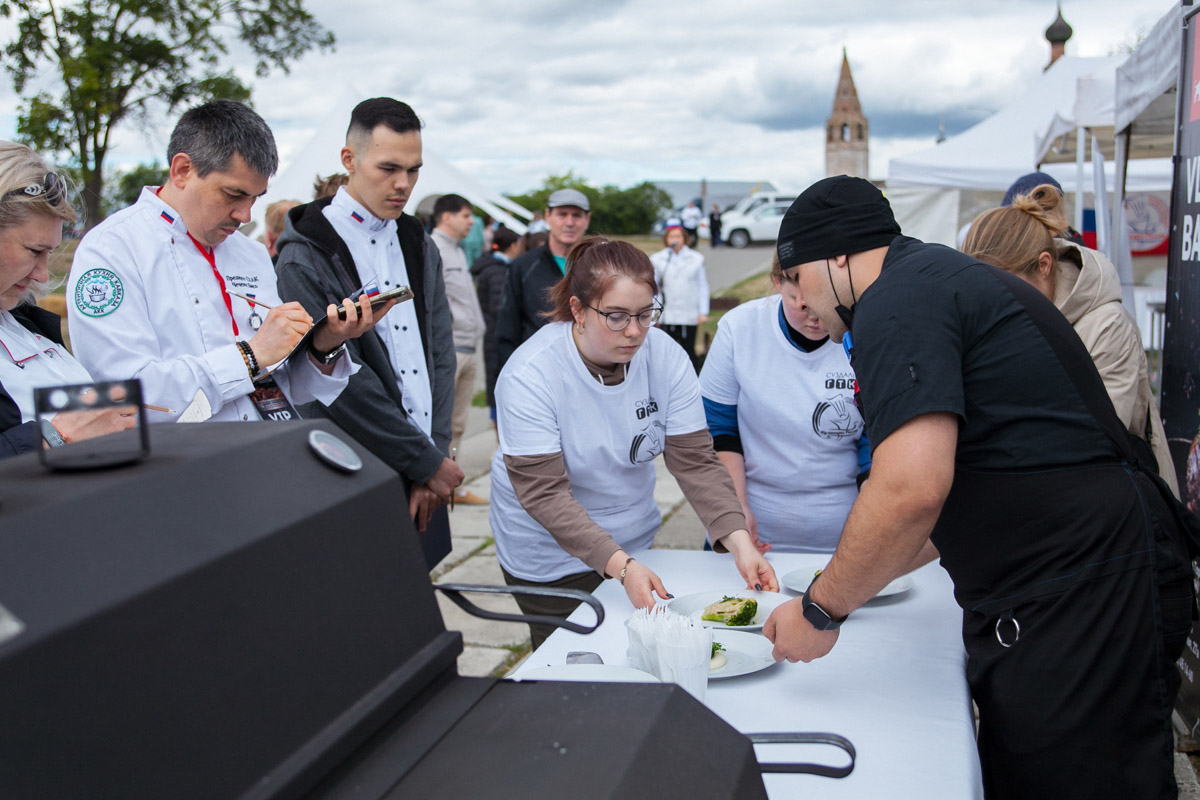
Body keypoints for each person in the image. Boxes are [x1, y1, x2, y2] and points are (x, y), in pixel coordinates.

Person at [762, 176, 1195, 799]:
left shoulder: (896, 300)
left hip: (1090, 582)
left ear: (835, 256)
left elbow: (911, 488)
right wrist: (850, 578)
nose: (801, 300)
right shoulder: (932, 279)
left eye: (797, 276)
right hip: (1076, 576)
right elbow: (938, 507)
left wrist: (821, 609)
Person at [491, 237, 778, 649]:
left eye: (646, 314)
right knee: (571, 664)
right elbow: (544, 494)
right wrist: (622, 568)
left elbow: (695, 461)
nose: (635, 332)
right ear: (578, 310)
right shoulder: (530, 375)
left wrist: (740, 543)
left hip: (632, 539)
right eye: (616, 316)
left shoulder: (665, 356)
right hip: (549, 555)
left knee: (638, 654)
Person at [67, 100, 383, 427]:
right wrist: (249, 356)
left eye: (255, 198)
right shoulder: (113, 249)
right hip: (181, 468)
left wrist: (324, 344)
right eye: (233, 195)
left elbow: (288, 388)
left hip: (267, 453)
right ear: (182, 171)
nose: (245, 216)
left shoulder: (251, 253)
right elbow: (123, 396)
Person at [274, 97, 463, 532]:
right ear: (349, 159)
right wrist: (420, 460)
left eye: (413, 169)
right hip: (351, 466)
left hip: (426, 466)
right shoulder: (306, 252)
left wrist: (433, 451)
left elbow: (439, 350)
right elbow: (338, 382)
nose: (403, 183)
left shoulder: (418, 239)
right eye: (388, 168)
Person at [962, 182, 1178, 494]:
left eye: (1003, 286)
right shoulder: (1001, 318)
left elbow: (1094, 440)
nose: (990, 301)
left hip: (1114, 510)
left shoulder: (1106, 324)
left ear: (1044, 266)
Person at [700, 254, 868, 553]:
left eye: (825, 302)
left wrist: (872, 521)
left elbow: (874, 439)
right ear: (778, 282)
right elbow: (720, 431)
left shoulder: (866, 334)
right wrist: (735, 513)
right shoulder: (739, 328)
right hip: (754, 527)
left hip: (844, 531)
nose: (816, 317)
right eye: (802, 304)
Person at [0, 142, 136, 457]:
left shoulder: (22, 319)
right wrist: (54, 438)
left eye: (49, 252)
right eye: (34, 251)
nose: (43, 275)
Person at [430, 192, 487, 505]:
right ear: (447, 217)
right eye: (466, 215)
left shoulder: (458, 251)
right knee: (443, 421)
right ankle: (438, 484)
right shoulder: (434, 248)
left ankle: (453, 483)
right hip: (451, 348)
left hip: (468, 344)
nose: (471, 222)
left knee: (459, 422)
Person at [495, 188, 590, 370]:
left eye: (576, 215)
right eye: (562, 214)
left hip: (589, 370)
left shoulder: (598, 265)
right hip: (538, 369)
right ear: (548, 217)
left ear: (587, 219)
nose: (569, 222)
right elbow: (507, 329)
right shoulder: (524, 265)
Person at [470, 226, 522, 427]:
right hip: (497, 336)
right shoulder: (498, 271)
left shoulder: (493, 267)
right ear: (513, 245)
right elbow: (499, 307)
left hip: (493, 333)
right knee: (499, 388)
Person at [650, 224, 709, 371]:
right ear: (666, 239)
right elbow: (654, 288)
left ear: (684, 238)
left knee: (688, 349)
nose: (675, 240)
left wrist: (703, 311)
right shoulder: (658, 259)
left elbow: (702, 285)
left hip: (688, 312)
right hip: (668, 313)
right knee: (666, 350)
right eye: (672, 237)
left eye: (678, 236)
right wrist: (654, 314)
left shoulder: (696, 259)